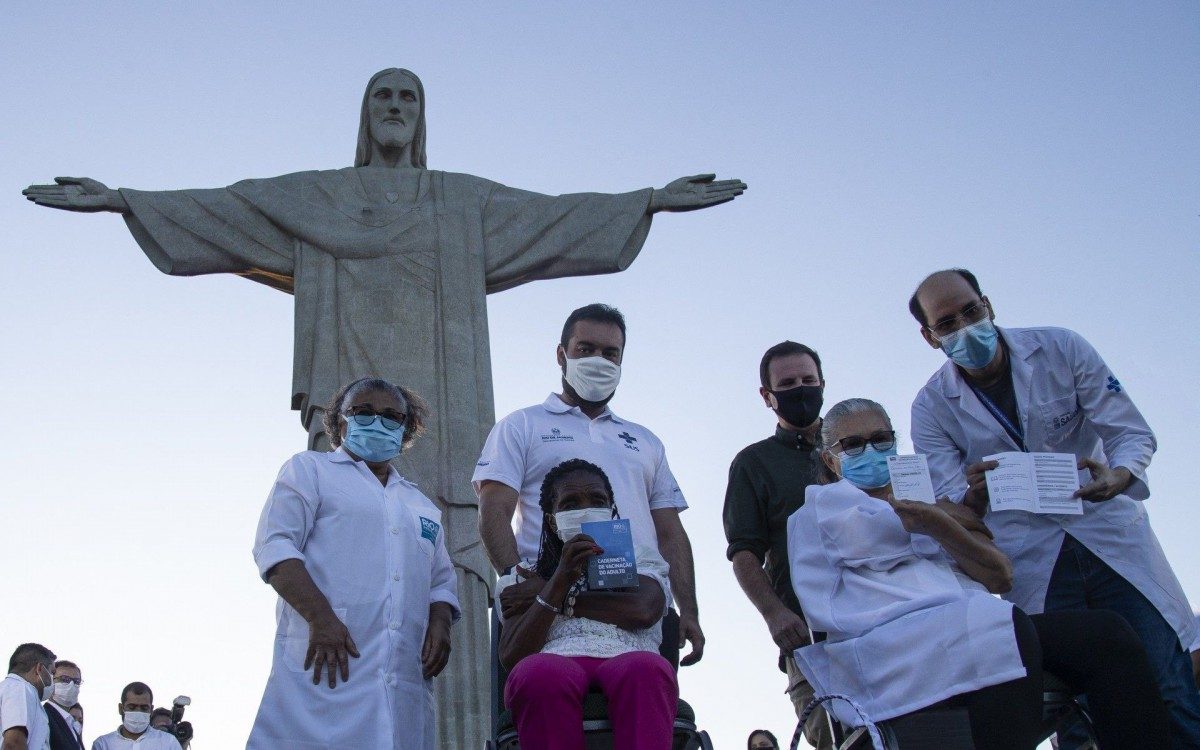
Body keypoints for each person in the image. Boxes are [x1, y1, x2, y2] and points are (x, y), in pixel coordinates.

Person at [22, 67, 744, 742]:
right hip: (336, 484)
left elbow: (553, 218)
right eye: (383, 97)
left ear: (422, 116)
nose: (396, 108)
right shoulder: (319, 200)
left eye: (408, 98)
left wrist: (646, 202)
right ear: (365, 116)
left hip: (454, 422)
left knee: (444, 617)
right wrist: (125, 200)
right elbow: (228, 209)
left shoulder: (460, 203)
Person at [908, 268, 1200, 745]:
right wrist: (972, 497)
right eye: (947, 323)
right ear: (928, 336)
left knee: (1167, 686)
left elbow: (1129, 431)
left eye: (970, 311)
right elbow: (951, 511)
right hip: (1034, 564)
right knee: (1072, 711)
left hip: (1110, 537)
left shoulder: (1060, 348)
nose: (965, 327)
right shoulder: (932, 408)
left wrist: (1120, 474)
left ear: (989, 305)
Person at [794, 398, 1172, 748]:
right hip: (889, 643)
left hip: (969, 624)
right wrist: (948, 519)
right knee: (1001, 627)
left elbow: (1000, 576)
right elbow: (873, 535)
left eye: (880, 439)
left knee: (1106, 634)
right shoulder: (821, 510)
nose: (871, 452)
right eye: (853, 445)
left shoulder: (935, 506)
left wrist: (940, 523)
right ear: (831, 461)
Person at [475, 303, 703, 665]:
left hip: (638, 604)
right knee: (550, 698)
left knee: (643, 701)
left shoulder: (645, 441)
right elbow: (493, 510)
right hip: (548, 597)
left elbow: (670, 531)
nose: (599, 360)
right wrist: (516, 579)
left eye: (610, 353)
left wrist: (688, 610)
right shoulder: (521, 425)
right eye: (586, 349)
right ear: (561, 355)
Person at [248, 377, 460, 749]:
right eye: (363, 412)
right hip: (326, 663)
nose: (378, 422)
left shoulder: (421, 506)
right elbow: (276, 546)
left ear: (406, 429)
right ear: (339, 421)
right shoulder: (310, 471)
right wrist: (321, 617)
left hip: (404, 677)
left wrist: (441, 623)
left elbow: (441, 581)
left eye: (391, 416)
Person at [498, 459, 677, 750]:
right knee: (538, 674)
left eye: (598, 500)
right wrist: (560, 578)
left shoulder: (642, 559)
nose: (586, 509)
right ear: (552, 520)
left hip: (630, 654)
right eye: (570, 504)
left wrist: (555, 596)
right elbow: (512, 655)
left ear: (611, 510)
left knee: (645, 669)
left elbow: (644, 609)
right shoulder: (523, 577)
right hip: (556, 659)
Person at [724, 341, 832, 750]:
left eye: (808, 380)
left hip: (884, 625)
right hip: (810, 637)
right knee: (836, 737)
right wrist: (774, 614)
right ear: (767, 396)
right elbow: (743, 551)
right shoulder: (753, 463)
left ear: (823, 384)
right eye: (787, 384)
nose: (800, 389)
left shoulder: (860, 446)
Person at [89, 683, 179, 749]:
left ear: (151, 710)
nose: (138, 712)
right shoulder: (103, 744)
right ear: (121, 708)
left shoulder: (169, 743)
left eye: (144, 708)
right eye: (132, 707)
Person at [1, 643, 55, 750]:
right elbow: (13, 743)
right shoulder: (21, 689)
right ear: (39, 669)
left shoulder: (9, 688)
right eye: (52, 672)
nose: (53, 679)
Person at [43, 661, 84, 750]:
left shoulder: (70, 723)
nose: (71, 685)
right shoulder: (44, 716)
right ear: (50, 681)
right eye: (65, 679)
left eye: (77, 681)